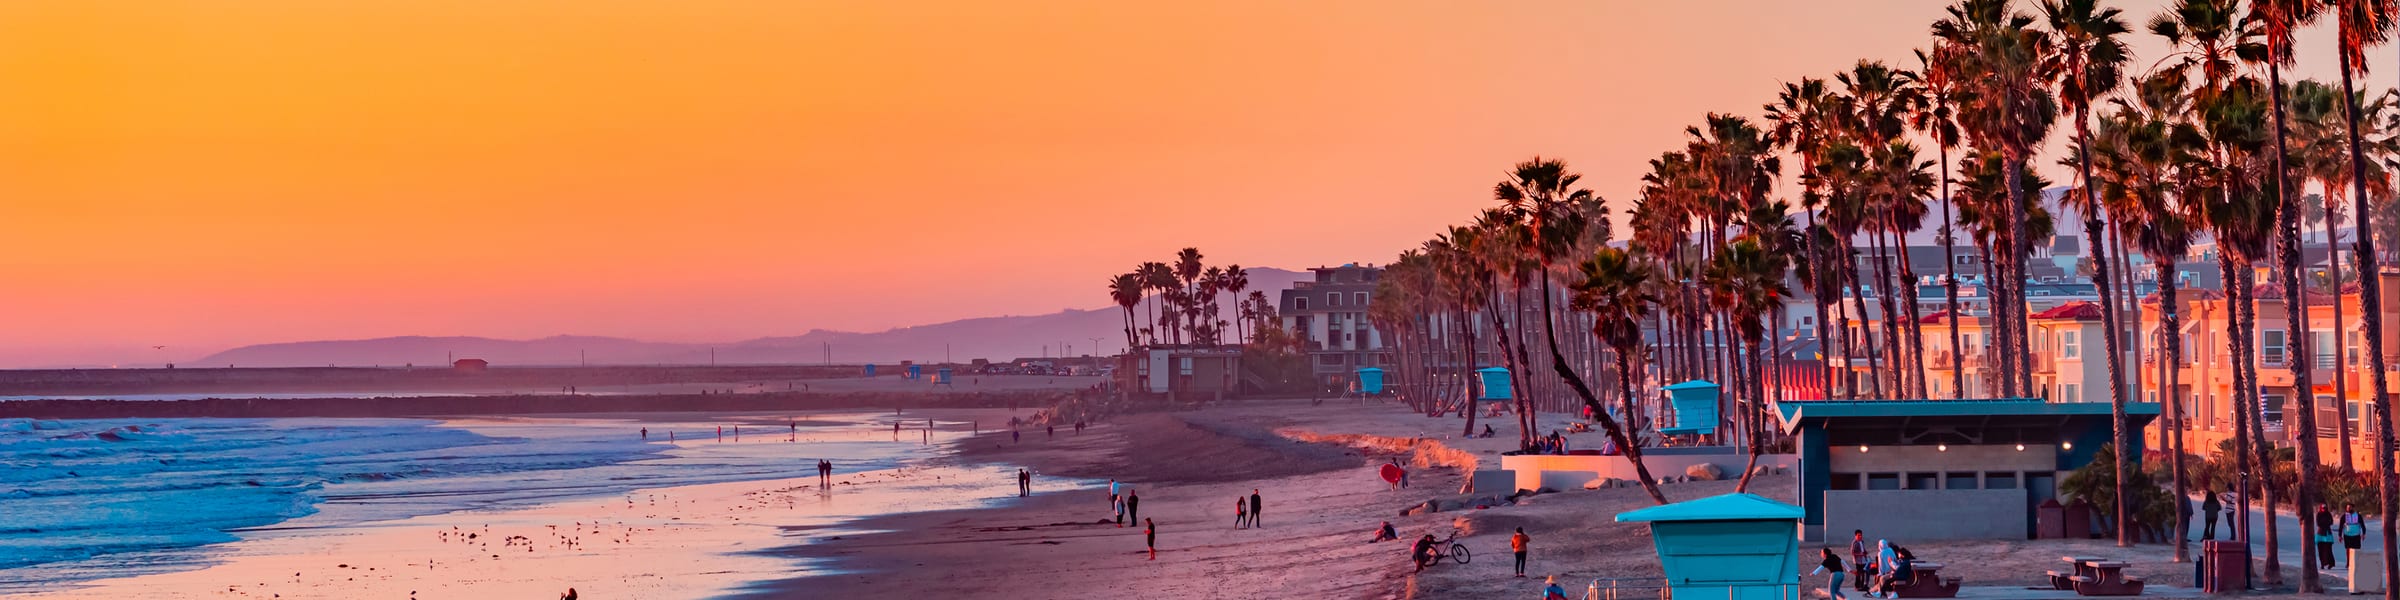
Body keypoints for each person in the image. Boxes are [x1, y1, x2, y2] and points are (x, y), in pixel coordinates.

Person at [2316, 505, 2338, 569]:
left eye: (2325, 508)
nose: (2324, 509)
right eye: (2323, 508)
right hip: (2320, 534)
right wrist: (2325, 523)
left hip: (2328, 534)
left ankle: (2330, 563)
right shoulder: (2319, 514)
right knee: (2320, 550)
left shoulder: (2328, 514)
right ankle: (2322, 564)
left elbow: (2331, 522)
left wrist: (2325, 523)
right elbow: (2318, 523)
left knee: (2328, 550)